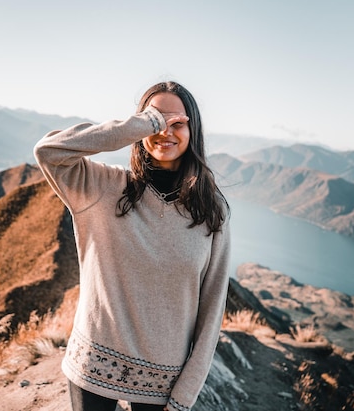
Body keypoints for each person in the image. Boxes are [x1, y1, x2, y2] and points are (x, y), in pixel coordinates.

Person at [33, 81, 231, 411]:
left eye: (177, 123)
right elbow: (49, 151)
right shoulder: (101, 186)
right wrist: (141, 124)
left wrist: (185, 394)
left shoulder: (212, 211)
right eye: (155, 118)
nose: (165, 131)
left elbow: (212, 313)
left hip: (162, 382)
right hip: (92, 366)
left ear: (193, 130)